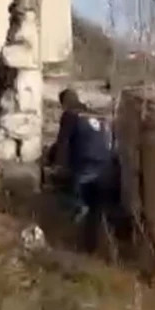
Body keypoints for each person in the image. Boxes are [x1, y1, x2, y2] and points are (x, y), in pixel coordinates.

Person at [52, 87, 114, 250]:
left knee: (70, 199)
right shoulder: (95, 114)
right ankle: (93, 245)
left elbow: (63, 142)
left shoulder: (70, 114)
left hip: (86, 163)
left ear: (64, 103)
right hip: (106, 165)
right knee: (96, 209)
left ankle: (77, 208)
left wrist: (59, 166)